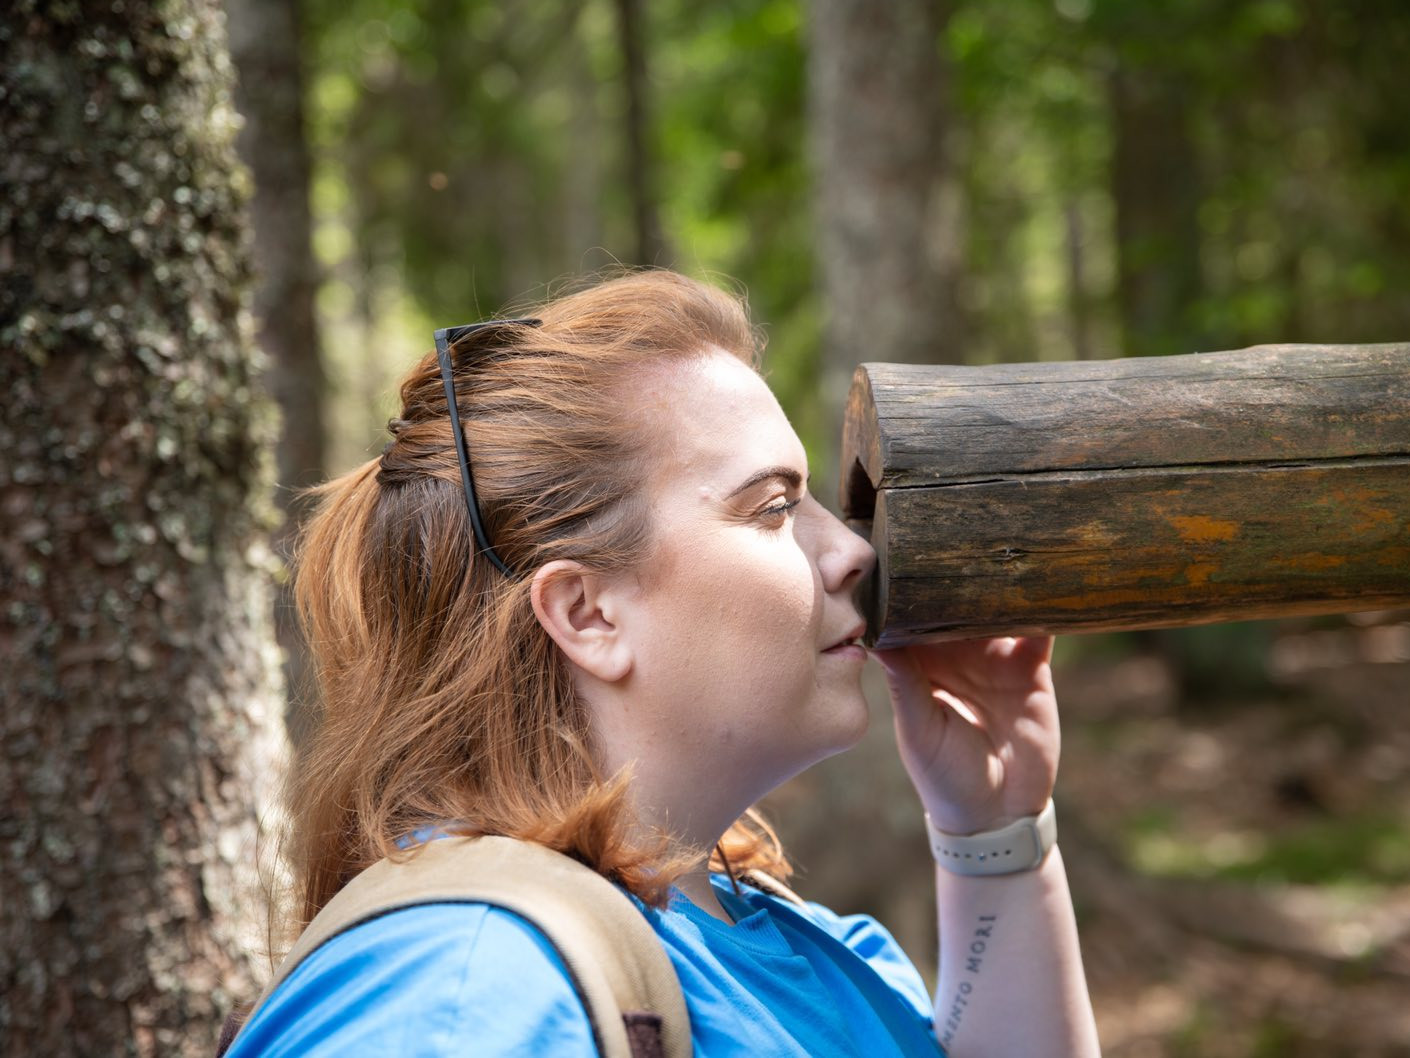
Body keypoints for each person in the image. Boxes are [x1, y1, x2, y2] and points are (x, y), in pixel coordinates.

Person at [227, 270, 1099, 1056]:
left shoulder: (816, 951)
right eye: (771, 509)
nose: (851, 552)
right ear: (588, 613)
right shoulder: (464, 988)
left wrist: (993, 830)